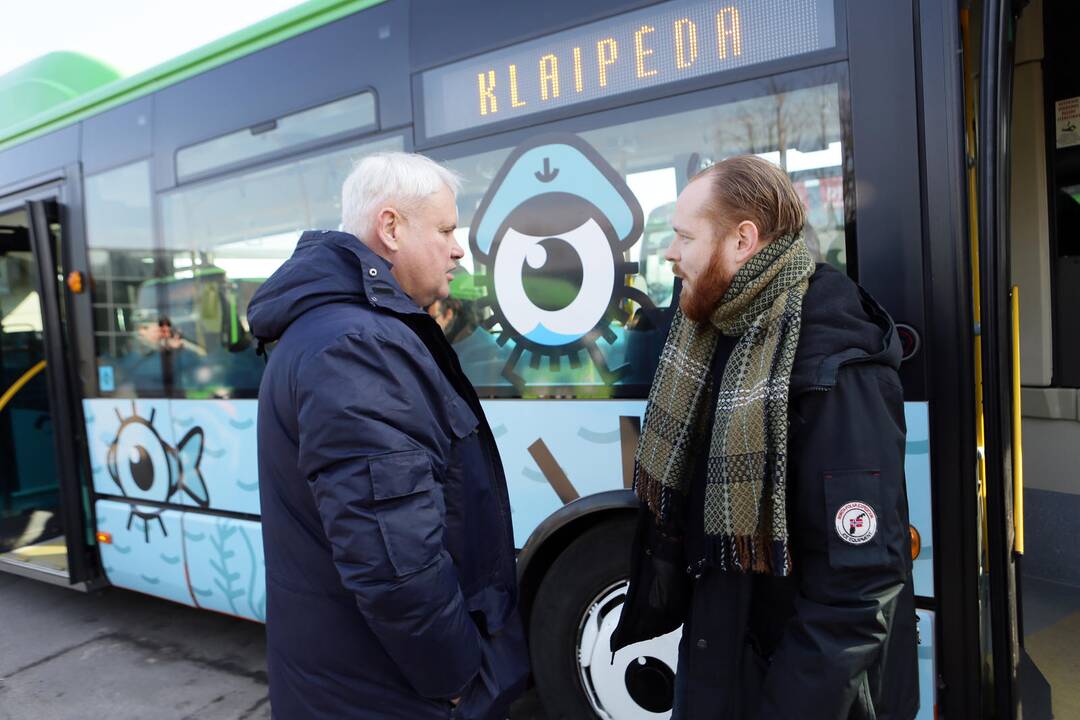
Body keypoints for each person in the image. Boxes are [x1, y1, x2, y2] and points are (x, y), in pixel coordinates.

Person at [610, 155, 918, 719]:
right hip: (725, 662)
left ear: (742, 240)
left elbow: (857, 593)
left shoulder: (835, 370)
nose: (669, 255)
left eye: (683, 237)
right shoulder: (723, 332)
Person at [248, 152, 528, 719]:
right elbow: (394, 562)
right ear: (391, 227)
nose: (458, 249)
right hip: (384, 694)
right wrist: (454, 676)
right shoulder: (356, 345)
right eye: (447, 229)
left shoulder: (343, 331)